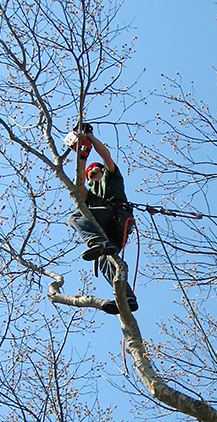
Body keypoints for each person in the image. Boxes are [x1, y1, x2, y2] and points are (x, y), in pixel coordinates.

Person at [67, 127, 138, 315]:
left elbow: (106, 156)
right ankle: (126, 297)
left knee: (76, 217)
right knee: (104, 260)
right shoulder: (89, 194)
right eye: (90, 171)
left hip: (116, 216)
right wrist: (81, 155)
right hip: (107, 232)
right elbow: (78, 185)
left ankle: (97, 242)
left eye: (94, 168)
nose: (93, 170)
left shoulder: (111, 177)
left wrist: (89, 137)